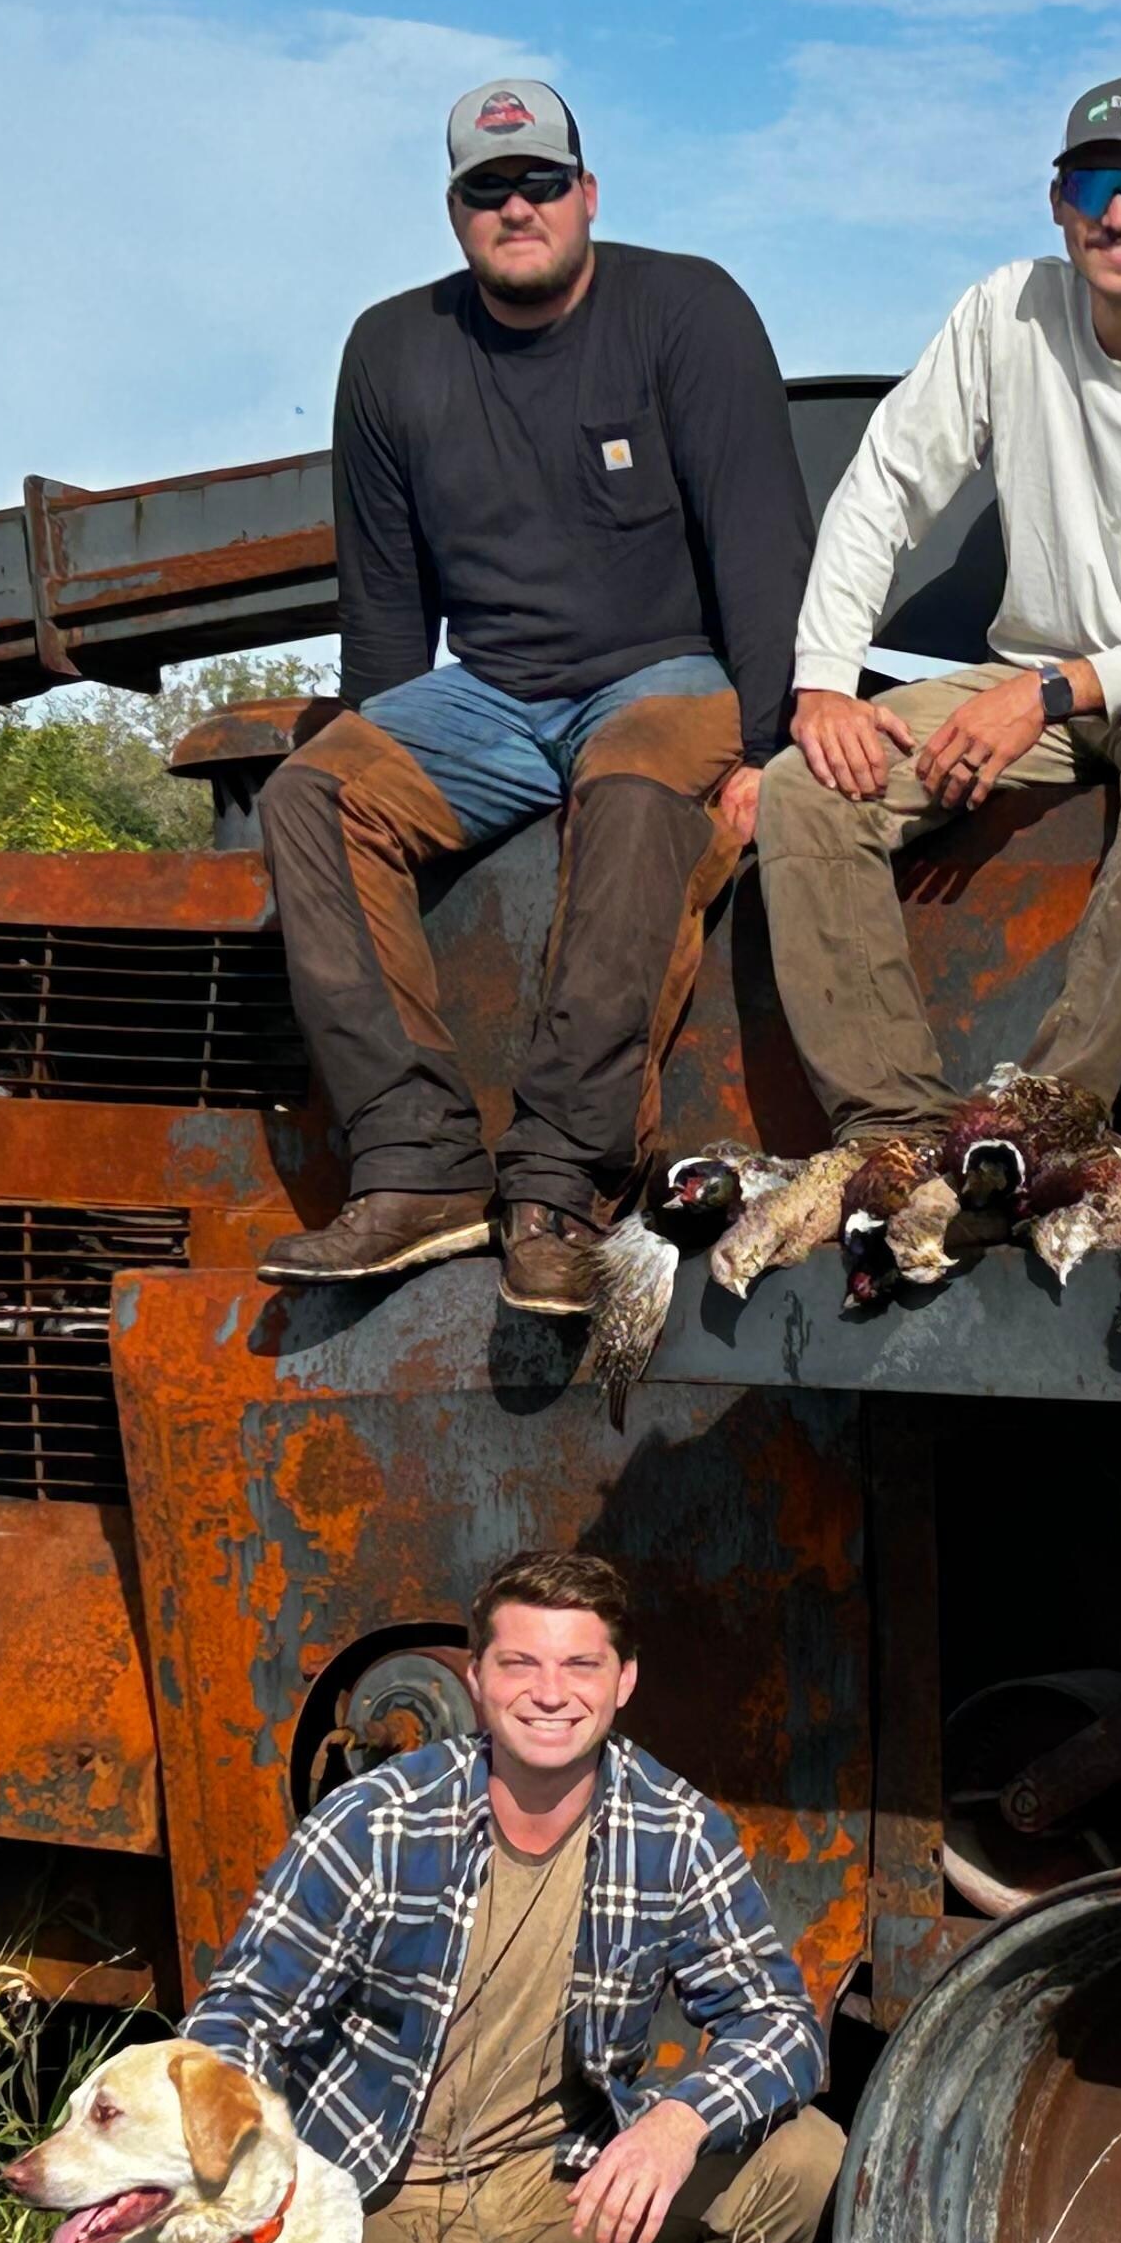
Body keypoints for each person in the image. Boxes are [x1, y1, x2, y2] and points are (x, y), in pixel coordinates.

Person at [256, 79, 813, 1316]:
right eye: (487, 189)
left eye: (540, 182)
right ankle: (415, 1166)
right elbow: (387, 606)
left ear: (587, 193)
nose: (518, 207)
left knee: (625, 787)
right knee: (312, 792)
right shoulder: (394, 350)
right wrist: (390, 760)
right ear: (455, 211)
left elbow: (765, 540)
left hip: (670, 674)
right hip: (493, 694)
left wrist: (767, 747)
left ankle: (562, 1184)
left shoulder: (687, 309)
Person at [184, 1547, 841, 2243]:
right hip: (384, 2187)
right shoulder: (381, 1820)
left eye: (580, 1666)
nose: (550, 1693)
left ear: (622, 1683)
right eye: (521, 1664)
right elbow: (239, 2015)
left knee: (804, 2158)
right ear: (478, 1679)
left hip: (554, 2179)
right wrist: (232, 2187)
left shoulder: (673, 1828)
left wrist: (676, 2122)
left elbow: (782, 2022)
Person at [756, 78, 1121, 1135]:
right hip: (1034, 682)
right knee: (806, 789)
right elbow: (884, 485)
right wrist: (826, 681)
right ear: (1059, 203)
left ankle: (1053, 1110)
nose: (1120, 216)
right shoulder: (1003, 313)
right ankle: (896, 1132)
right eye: (1096, 186)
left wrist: (1050, 693)